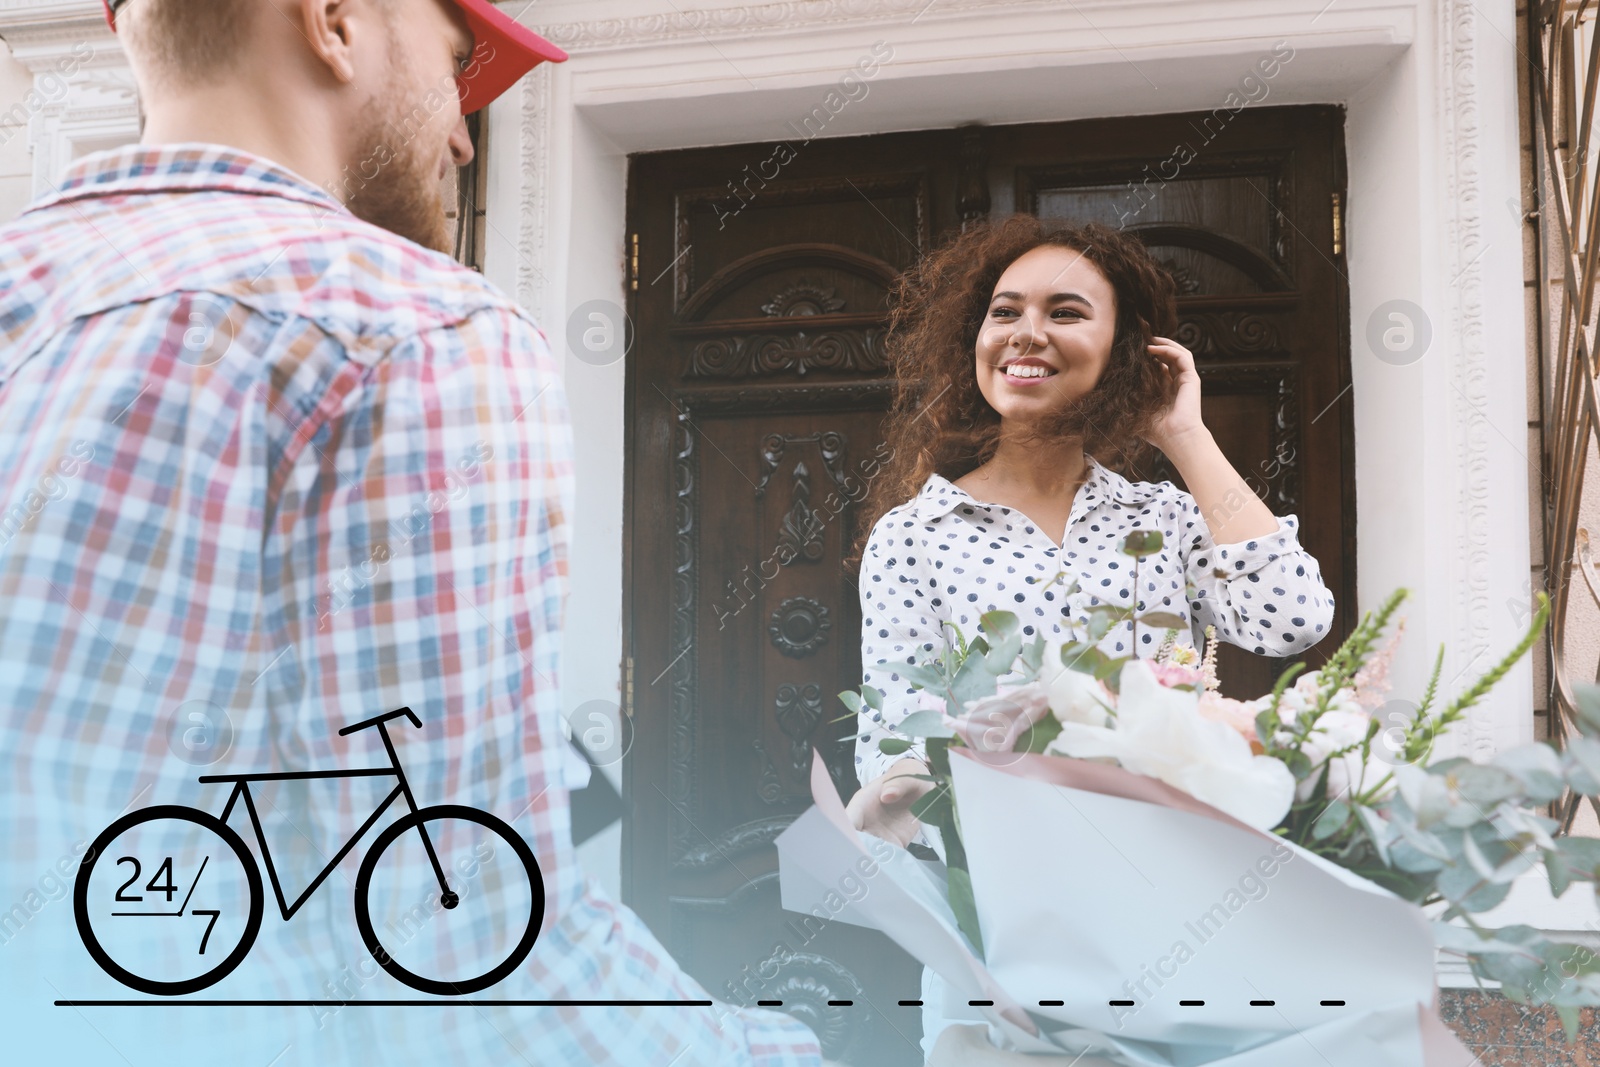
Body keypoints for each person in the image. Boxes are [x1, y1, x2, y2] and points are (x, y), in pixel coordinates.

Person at [0, 1, 821, 1064]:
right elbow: (461, 961)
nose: (464, 133)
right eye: (455, 66)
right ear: (335, 22)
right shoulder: (410, 329)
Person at [842, 216, 1336, 1059]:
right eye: (1005, 311)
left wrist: (1184, 434)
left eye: (1066, 311)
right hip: (1001, 925)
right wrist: (899, 786)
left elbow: (1293, 618)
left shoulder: (1166, 518)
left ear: (1125, 350)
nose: (1027, 332)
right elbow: (894, 721)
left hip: (1179, 909)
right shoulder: (915, 533)